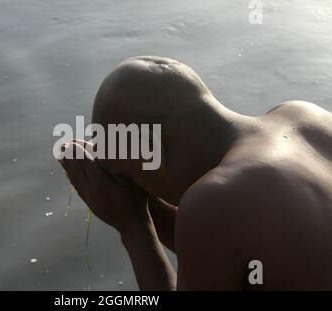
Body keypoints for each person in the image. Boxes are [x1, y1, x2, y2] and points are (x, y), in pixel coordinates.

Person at [58, 56, 332, 290]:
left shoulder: (214, 199)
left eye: (128, 174)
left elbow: (215, 220)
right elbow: (229, 247)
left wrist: (134, 229)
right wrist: (140, 199)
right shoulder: (304, 116)